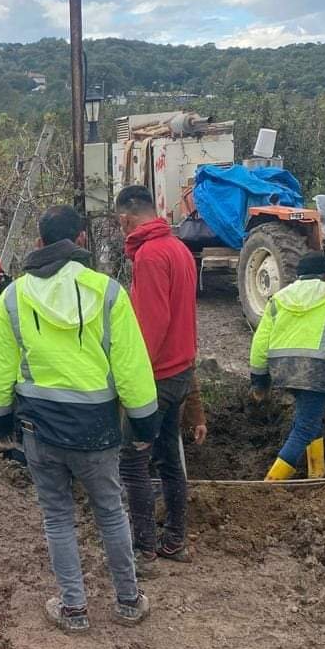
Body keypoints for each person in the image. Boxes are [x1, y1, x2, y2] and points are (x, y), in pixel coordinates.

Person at [0, 205, 156, 633]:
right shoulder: (108, 292)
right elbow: (132, 368)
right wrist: (144, 424)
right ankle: (129, 601)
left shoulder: (13, 296)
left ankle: (74, 609)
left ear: (40, 243)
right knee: (111, 513)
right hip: (97, 428)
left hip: (39, 429)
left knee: (58, 516)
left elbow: (0, 373)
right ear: (81, 240)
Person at [116, 184, 198, 573]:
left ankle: (143, 548)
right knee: (169, 459)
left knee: (132, 463)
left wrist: (133, 380)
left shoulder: (149, 255)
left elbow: (152, 325)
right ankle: (175, 540)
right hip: (181, 372)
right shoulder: (180, 249)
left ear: (126, 218)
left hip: (157, 377)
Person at [250, 252, 325, 479]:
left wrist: (259, 378)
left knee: (307, 418)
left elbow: (260, 342)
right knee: (304, 427)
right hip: (317, 370)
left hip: (283, 370)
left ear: (298, 275)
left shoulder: (279, 298)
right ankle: (270, 484)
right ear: (324, 274)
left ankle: (317, 470)